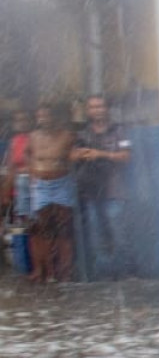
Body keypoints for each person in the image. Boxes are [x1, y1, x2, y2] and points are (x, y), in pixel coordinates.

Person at [72, 95, 132, 281]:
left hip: (114, 190)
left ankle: (123, 273)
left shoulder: (118, 131)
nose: (97, 110)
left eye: (100, 106)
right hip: (91, 191)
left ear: (107, 109)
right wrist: (81, 154)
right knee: (96, 235)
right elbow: (72, 157)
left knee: (118, 232)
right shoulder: (82, 134)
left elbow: (126, 157)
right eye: (92, 107)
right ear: (88, 111)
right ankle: (104, 275)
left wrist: (101, 154)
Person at [26, 105, 76, 284]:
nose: (43, 120)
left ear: (54, 117)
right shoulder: (32, 137)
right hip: (41, 186)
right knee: (44, 230)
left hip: (61, 184)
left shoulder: (67, 136)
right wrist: (32, 175)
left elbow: (73, 158)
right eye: (40, 117)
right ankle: (48, 272)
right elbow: (29, 156)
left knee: (64, 230)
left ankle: (66, 273)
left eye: (46, 116)